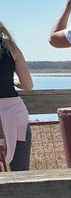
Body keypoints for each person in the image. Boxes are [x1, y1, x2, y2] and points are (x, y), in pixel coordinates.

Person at [0, 22, 33, 172]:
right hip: (15, 114)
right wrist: (12, 80)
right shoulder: (10, 46)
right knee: (21, 171)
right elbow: (28, 85)